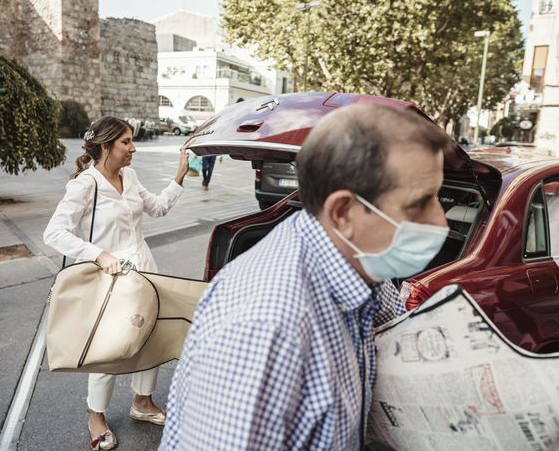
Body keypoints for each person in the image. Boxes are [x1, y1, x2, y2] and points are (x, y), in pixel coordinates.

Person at [161, 103, 451, 450]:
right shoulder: (265, 325)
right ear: (343, 212)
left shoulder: (362, 266)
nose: (441, 222)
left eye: (439, 198)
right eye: (420, 202)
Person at [43, 116, 188, 451]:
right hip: (110, 279)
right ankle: (96, 415)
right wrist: (98, 254)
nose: (133, 148)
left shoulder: (131, 176)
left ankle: (143, 401)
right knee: (108, 347)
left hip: (145, 272)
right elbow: (54, 232)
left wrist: (179, 175)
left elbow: (158, 208)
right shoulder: (85, 184)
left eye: (132, 141)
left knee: (152, 336)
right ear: (105, 146)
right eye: (126, 142)